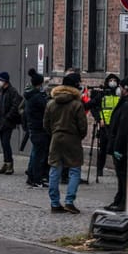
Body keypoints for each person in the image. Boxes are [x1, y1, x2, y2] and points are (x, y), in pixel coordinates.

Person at [45, 70, 88, 213]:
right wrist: (79, 136)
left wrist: (54, 133)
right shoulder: (77, 104)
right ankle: (69, 201)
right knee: (74, 169)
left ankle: (54, 202)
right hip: (73, 138)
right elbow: (83, 126)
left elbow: (46, 124)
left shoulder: (51, 103)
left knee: (54, 169)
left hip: (56, 138)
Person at [105, 76, 128, 211]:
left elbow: (123, 129)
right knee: (120, 176)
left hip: (121, 147)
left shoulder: (126, 105)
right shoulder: (123, 103)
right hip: (117, 145)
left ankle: (123, 201)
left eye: (120, 86)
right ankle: (119, 199)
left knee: (122, 175)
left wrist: (118, 148)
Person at [23, 69, 50, 188]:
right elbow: (46, 108)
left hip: (34, 128)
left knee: (35, 154)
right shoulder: (37, 98)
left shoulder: (31, 95)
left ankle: (32, 176)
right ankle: (36, 178)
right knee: (39, 156)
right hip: (39, 129)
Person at [93, 73, 122, 181]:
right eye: (111, 80)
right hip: (105, 124)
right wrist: (99, 119)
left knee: (116, 148)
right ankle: (100, 168)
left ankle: (117, 168)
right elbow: (96, 108)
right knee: (103, 148)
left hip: (116, 125)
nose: (113, 82)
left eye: (115, 80)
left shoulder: (119, 94)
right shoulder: (103, 94)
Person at [0, 71, 23, 175]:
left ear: (5, 81)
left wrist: (8, 116)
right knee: (3, 142)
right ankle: (6, 163)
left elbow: (15, 105)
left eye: (0, 80)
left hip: (8, 121)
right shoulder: (0, 91)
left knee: (6, 142)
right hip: (1, 120)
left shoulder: (12, 91)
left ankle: (9, 164)